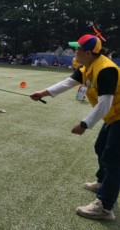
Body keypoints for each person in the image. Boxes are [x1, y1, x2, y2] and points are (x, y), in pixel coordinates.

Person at [30, 34, 120, 221]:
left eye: (77, 49)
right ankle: (103, 182)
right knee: (100, 148)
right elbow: (68, 82)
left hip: (117, 116)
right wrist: (43, 92)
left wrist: (84, 124)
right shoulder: (87, 66)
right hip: (114, 117)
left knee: (113, 159)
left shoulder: (105, 70)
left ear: (88, 52)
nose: (74, 51)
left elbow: (105, 103)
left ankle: (104, 207)